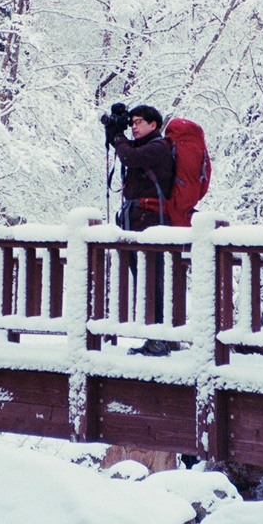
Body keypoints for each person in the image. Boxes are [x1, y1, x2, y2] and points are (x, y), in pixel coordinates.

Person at [102, 104, 176, 355]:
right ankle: (156, 338)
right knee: (144, 279)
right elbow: (127, 152)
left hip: (150, 222)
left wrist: (119, 138)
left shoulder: (159, 147)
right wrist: (114, 134)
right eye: (131, 122)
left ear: (154, 125)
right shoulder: (145, 147)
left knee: (151, 279)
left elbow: (130, 157)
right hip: (137, 219)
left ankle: (159, 339)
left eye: (139, 122)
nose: (133, 127)